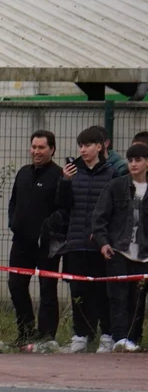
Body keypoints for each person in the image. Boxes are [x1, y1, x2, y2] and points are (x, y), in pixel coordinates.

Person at [57, 126, 117, 353]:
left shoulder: (112, 174)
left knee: (103, 292)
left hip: (100, 245)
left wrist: (104, 236)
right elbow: (62, 205)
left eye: (88, 145)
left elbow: (116, 210)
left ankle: (107, 335)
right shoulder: (74, 173)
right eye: (80, 145)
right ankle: (81, 334)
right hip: (75, 243)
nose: (83, 150)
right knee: (78, 291)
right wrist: (65, 181)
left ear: (99, 147)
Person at [7, 129, 63, 349]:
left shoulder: (59, 175)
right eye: (34, 147)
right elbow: (13, 202)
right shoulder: (23, 173)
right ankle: (26, 332)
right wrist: (13, 223)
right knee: (16, 285)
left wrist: (49, 231)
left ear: (52, 149)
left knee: (47, 288)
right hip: (21, 242)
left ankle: (47, 335)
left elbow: (63, 208)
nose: (36, 151)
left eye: (41, 147)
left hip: (47, 244)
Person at [92, 142, 148, 353]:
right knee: (117, 297)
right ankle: (119, 338)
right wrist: (103, 242)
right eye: (130, 160)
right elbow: (99, 218)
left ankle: (133, 339)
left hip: (143, 256)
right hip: (118, 251)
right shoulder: (115, 186)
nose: (133, 164)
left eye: (138, 160)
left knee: (137, 300)